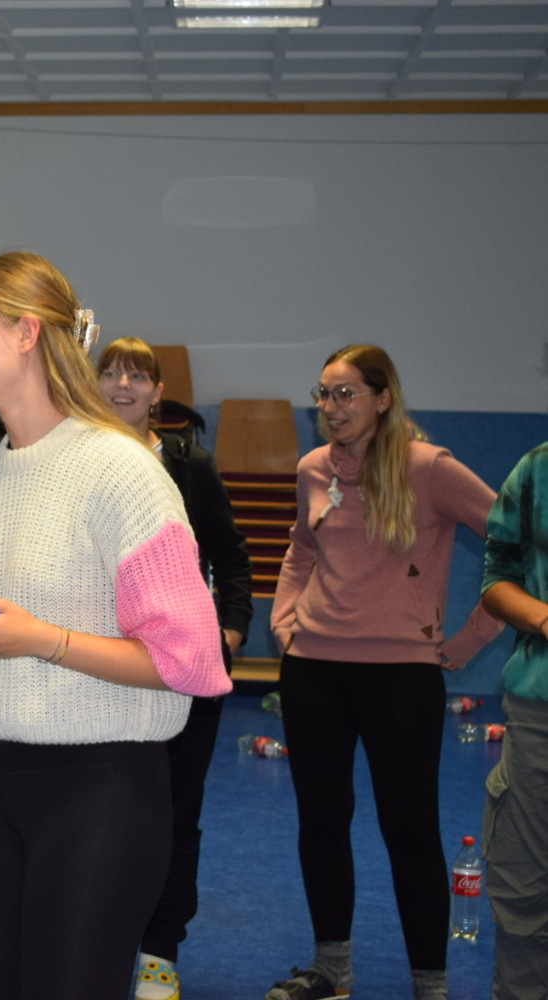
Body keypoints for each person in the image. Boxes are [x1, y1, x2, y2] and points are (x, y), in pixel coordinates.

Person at [0, 251, 230, 999]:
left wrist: (44, 640)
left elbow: (188, 662)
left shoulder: (122, 472)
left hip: (100, 792)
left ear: (26, 334)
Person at [267, 344, 501, 1000]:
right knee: (321, 821)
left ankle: (431, 986)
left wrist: (471, 638)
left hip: (401, 678)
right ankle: (332, 971)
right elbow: (300, 549)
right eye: (323, 394)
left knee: (410, 831)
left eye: (345, 393)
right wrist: (285, 622)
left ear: (383, 398)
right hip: (314, 671)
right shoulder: (314, 469)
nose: (331, 407)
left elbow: (515, 542)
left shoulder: (429, 468)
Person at [96, 336, 253, 1000]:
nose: (122, 385)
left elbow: (233, 556)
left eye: (137, 376)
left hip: (181, 672)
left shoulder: (190, 466)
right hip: (100, 670)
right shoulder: (77, 461)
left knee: (174, 813)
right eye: (110, 373)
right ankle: (100, 943)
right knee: (100, 813)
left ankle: (160, 952)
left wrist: (230, 633)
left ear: (158, 392)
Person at [479, 441, 548, 1000]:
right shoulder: (537, 469)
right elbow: (498, 575)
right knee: (523, 881)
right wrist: (544, 617)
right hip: (539, 709)